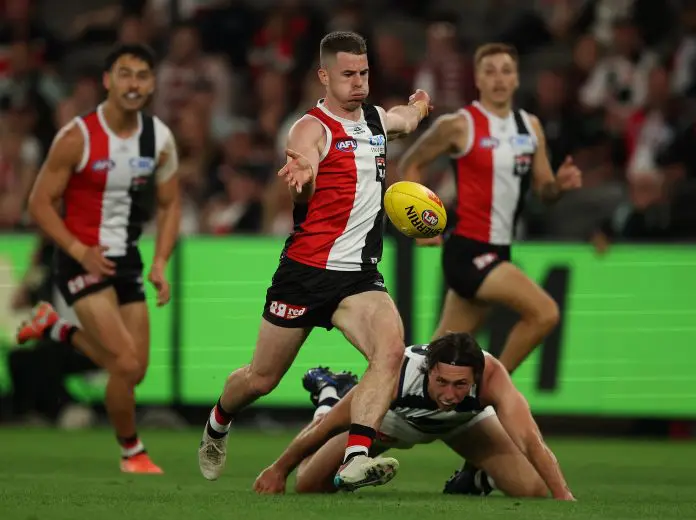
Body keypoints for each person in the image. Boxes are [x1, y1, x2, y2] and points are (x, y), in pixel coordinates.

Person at [198, 31, 432, 490]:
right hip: (305, 274)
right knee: (260, 379)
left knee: (390, 353)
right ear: (324, 75)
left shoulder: (377, 120)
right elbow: (302, 160)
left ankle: (355, 457)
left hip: (359, 279)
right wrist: (303, 173)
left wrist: (420, 106)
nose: (358, 82)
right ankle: (218, 420)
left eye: (364, 73)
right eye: (348, 74)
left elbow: (403, 118)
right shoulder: (311, 128)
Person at [16, 43, 180, 474]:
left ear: (152, 83)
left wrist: (160, 261)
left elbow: (170, 203)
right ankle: (132, 453)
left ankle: (56, 327)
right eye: (125, 74)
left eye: (143, 75)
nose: (134, 84)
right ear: (108, 81)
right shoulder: (77, 137)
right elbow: (39, 204)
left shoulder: (158, 138)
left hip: (125, 261)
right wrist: (77, 251)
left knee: (135, 371)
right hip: (79, 260)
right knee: (123, 363)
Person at [398, 43, 582, 374]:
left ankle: (381, 408)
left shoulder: (530, 127)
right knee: (545, 313)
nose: (499, 79)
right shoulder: (459, 125)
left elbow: (544, 190)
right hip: (468, 250)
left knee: (437, 362)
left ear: (516, 79)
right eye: (490, 71)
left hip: (499, 249)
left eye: (506, 71)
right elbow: (410, 165)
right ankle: (490, 392)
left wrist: (559, 185)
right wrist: (422, 228)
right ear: (478, 80)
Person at [253, 333, 575, 500]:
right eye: (442, 382)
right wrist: (278, 470)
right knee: (309, 485)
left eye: (461, 384)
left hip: (460, 425)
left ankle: (471, 480)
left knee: (533, 489)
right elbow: (328, 427)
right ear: (428, 370)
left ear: (476, 377)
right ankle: (330, 392)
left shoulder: (492, 376)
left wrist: (563, 495)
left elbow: (530, 440)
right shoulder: (398, 375)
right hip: (392, 422)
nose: (450, 395)